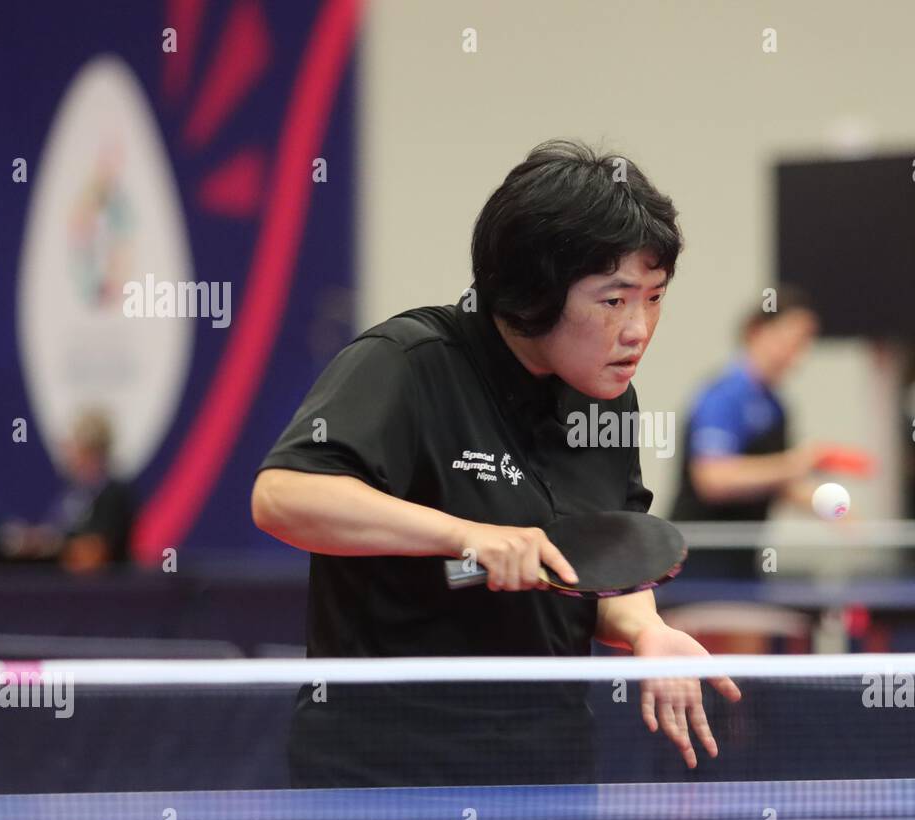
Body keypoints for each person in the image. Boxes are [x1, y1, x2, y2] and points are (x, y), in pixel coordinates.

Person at [252, 140, 740, 787]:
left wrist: (645, 630)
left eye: (654, 297)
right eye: (614, 300)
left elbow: (597, 564)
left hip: (547, 766)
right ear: (535, 290)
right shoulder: (407, 364)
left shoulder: (609, 403)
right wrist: (464, 537)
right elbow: (283, 496)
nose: (639, 329)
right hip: (387, 772)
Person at [670, 287, 871, 579]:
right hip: (698, 562)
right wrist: (800, 461)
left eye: (804, 344)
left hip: (743, 561)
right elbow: (712, 478)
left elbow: (779, 482)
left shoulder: (777, 408)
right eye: (790, 339)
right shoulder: (724, 395)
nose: (796, 354)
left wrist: (835, 510)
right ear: (756, 331)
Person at [0, 409, 137, 573]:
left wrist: (46, 545)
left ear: (90, 450)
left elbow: (93, 557)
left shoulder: (114, 494)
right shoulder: (72, 493)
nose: (66, 452)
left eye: (72, 445)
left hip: (102, 593)